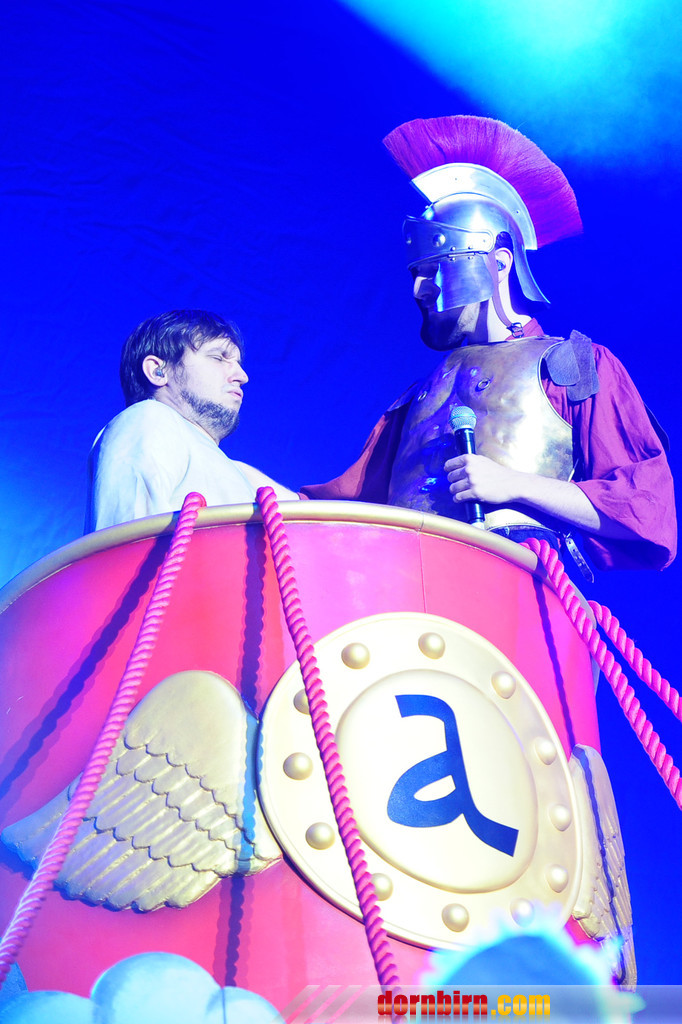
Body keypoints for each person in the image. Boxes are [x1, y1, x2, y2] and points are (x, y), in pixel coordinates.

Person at [302, 116, 676, 572]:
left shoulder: (573, 364)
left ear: (498, 263)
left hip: (514, 586)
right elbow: (344, 508)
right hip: (408, 586)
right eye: (415, 273)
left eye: (435, 268)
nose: (418, 289)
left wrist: (514, 484)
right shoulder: (419, 397)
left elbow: (645, 508)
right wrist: (239, 477)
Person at [86, 309, 298, 531]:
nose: (242, 376)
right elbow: (126, 541)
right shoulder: (147, 418)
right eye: (218, 357)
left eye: (238, 363)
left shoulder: (238, 471)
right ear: (158, 371)